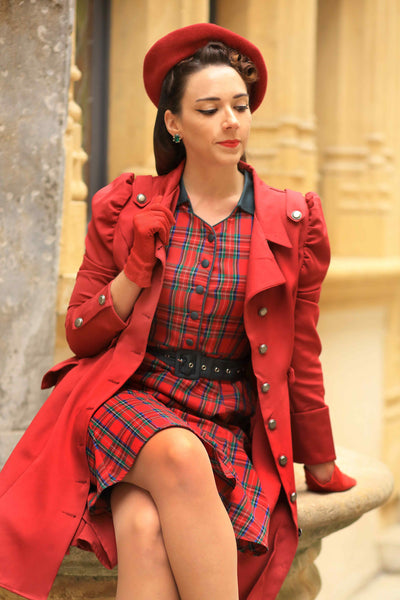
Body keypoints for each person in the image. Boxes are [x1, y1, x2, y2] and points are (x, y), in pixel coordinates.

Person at [0, 23, 356, 600]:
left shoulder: (292, 222)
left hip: (225, 417)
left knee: (143, 527)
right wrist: (133, 275)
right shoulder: (126, 207)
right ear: (173, 122)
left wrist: (320, 460)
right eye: (210, 109)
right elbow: (80, 335)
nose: (231, 122)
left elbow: (302, 352)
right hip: (128, 400)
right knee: (179, 452)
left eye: (240, 106)